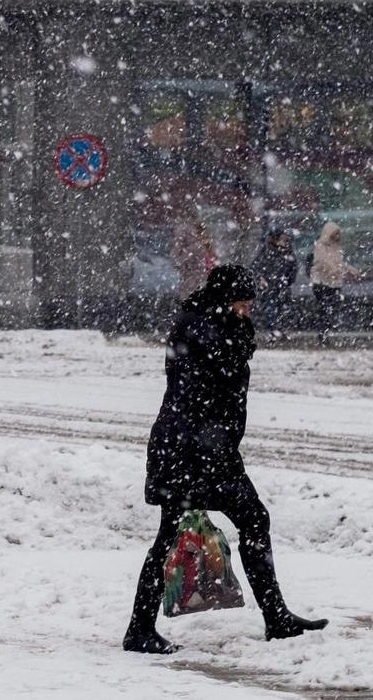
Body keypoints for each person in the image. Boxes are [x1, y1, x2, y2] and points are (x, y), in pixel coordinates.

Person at [123, 265, 327, 654]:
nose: (247, 312)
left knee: (247, 521)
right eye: (242, 304)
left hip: (207, 453)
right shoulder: (203, 333)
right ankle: (139, 631)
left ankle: (276, 617)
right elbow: (202, 394)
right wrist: (211, 448)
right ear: (223, 303)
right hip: (191, 455)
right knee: (174, 537)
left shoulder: (213, 328)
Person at [310, 221, 363, 345]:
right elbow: (325, 261)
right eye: (335, 234)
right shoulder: (320, 246)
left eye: (338, 234)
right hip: (322, 283)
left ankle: (325, 332)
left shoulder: (336, 247)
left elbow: (339, 262)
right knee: (323, 309)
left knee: (331, 309)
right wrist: (335, 270)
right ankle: (322, 334)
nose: (337, 236)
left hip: (334, 283)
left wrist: (351, 269)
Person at [250, 228, 297, 338]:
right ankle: (271, 330)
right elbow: (255, 267)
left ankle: (281, 329)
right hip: (270, 286)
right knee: (270, 308)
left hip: (283, 285)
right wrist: (261, 279)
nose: (284, 241)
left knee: (283, 308)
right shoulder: (267, 251)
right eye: (282, 239)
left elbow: (293, 267)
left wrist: (288, 279)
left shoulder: (288, 251)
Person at [171, 217, 216, 298]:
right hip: (194, 290)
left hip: (202, 291)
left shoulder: (205, 249)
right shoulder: (197, 249)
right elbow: (177, 261)